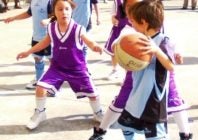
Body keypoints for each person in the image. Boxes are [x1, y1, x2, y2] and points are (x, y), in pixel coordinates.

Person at [85, 0, 192, 140]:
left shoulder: (163, 41)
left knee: (157, 138)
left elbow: (171, 66)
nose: (129, 22)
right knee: (125, 125)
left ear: (143, 22)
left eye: (133, 20)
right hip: (135, 95)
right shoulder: (135, 37)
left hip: (153, 100)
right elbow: (119, 45)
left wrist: (156, 51)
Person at [16, 0, 104, 130]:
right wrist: (28, 51)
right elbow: (43, 43)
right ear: (54, 12)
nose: (64, 12)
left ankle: (98, 113)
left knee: (93, 94)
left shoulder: (78, 28)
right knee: (40, 87)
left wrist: (94, 46)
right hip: (57, 68)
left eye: (67, 9)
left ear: (71, 11)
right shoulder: (51, 28)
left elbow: (87, 40)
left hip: (77, 69)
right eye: (60, 9)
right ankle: (40, 113)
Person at [4, 0, 53, 90]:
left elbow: (56, 16)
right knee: (37, 59)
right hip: (36, 36)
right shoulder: (33, 1)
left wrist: (48, 20)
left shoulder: (50, 1)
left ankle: (53, 84)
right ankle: (39, 81)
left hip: (48, 37)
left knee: (52, 61)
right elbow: (28, 13)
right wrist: (13, 18)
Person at [103, 0, 129, 80]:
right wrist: (113, 19)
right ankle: (115, 70)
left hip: (130, 30)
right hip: (118, 29)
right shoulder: (116, 2)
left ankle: (127, 75)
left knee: (128, 53)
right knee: (113, 51)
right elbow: (113, 17)